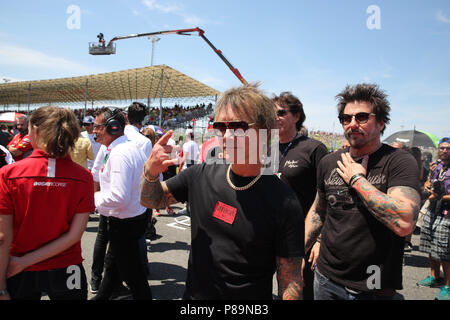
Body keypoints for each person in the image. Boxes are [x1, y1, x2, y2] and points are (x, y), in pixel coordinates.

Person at [140, 84, 305, 300]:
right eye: (221, 127)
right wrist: (150, 173)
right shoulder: (201, 174)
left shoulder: (284, 201)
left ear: (265, 133)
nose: (227, 136)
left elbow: (290, 281)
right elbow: (151, 201)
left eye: (238, 127)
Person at [304, 83, 421, 300]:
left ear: (381, 122)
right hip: (326, 279)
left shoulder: (399, 162)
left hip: (373, 286)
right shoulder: (329, 162)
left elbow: (405, 222)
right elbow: (319, 211)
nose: (352, 124)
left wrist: (357, 179)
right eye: (346, 119)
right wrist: (298, 252)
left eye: (362, 117)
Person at [0, 106, 95, 300]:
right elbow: (74, 235)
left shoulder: (8, 175)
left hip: (17, 267)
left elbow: (2, 237)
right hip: (67, 267)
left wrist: (1, 287)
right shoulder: (84, 177)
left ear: (34, 130)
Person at [91, 107, 152, 300]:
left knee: (135, 279)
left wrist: (89, 200)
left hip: (124, 224)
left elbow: (118, 197)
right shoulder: (123, 148)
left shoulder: (119, 153)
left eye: (97, 127)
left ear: (113, 127)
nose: (93, 131)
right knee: (112, 272)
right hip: (130, 220)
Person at [273, 91, 328, 300]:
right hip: (272, 234)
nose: (275, 117)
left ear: (296, 116)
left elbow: (328, 198)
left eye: (280, 113)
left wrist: (320, 239)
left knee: (302, 291)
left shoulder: (313, 149)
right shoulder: (265, 149)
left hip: (304, 237)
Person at [417, 137, 450, 300]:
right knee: (430, 244)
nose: (444, 151)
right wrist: (428, 184)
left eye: (448, 148)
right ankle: (435, 277)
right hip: (433, 209)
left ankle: (448, 286)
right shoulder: (437, 167)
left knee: (444, 250)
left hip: (447, 212)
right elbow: (430, 183)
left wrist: (441, 197)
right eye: (442, 148)